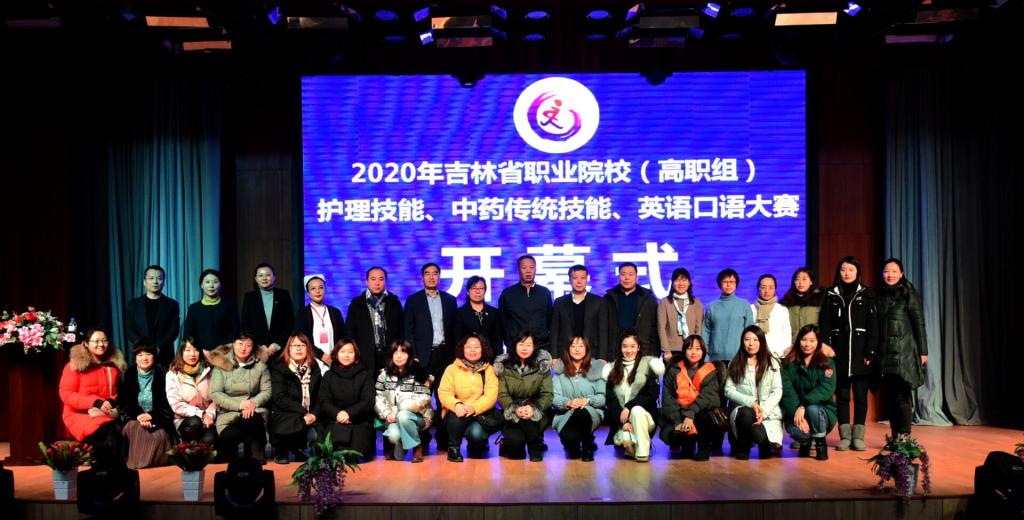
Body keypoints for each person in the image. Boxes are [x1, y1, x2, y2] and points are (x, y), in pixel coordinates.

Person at [819, 256, 878, 451]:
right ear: (839, 272)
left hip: (861, 355)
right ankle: (844, 436)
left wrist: (870, 351)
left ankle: (858, 437)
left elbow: (873, 326)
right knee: (842, 397)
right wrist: (827, 349)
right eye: (843, 269)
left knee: (861, 397)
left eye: (851, 270)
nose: (847, 273)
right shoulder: (830, 294)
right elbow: (824, 324)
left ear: (857, 272)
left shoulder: (867, 294)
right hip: (838, 355)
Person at [876, 258, 928, 440]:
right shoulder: (879, 295)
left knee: (902, 396)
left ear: (901, 274)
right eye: (886, 271)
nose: (889, 275)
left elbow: (918, 322)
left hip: (904, 352)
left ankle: (904, 436)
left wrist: (923, 351)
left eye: (894, 271)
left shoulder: (908, 293)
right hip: (885, 354)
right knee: (890, 397)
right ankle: (895, 435)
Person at [58, 328, 127, 463]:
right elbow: (66, 394)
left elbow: (117, 393)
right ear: (86, 343)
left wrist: (110, 402)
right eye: (96, 341)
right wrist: (95, 402)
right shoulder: (74, 366)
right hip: (80, 414)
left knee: (118, 436)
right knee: (107, 434)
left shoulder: (113, 366)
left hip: (106, 413)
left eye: (104, 341)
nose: (101, 344)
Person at [209, 332, 272, 463]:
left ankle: (255, 456)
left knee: (252, 418)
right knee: (229, 444)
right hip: (228, 414)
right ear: (233, 344)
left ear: (253, 347)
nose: (243, 348)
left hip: (253, 411)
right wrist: (240, 405)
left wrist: (251, 404)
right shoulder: (221, 364)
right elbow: (216, 393)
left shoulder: (260, 366)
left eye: (248, 345)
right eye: (240, 344)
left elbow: (266, 391)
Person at [603, 330, 664, 463]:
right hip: (623, 421)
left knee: (636, 410)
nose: (628, 350)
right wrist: (623, 422)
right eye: (625, 346)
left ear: (638, 347)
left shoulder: (648, 365)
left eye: (632, 346)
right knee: (624, 438)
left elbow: (651, 395)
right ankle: (631, 446)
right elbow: (611, 400)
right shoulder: (613, 368)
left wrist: (629, 407)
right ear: (620, 348)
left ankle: (642, 452)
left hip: (645, 418)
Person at [437, 335, 500, 462]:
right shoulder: (452, 369)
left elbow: (491, 396)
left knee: (476, 435)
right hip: (457, 413)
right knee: (456, 415)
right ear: (462, 349)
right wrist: (456, 404)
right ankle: (453, 449)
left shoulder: (489, 370)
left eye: (476, 347)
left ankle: (476, 444)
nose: (472, 350)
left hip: (479, 413)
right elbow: (444, 392)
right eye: (468, 347)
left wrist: (473, 408)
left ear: (483, 349)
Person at [724, 326, 783, 460]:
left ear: (761, 342)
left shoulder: (772, 362)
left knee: (762, 438)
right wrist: (751, 403)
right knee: (746, 413)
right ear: (742, 341)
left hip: (768, 412)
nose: (751, 344)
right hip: (744, 410)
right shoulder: (736, 362)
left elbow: (777, 390)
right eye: (747, 339)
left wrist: (763, 411)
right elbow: (728, 390)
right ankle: (743, 447)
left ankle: (765, 445)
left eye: (755, 340)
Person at [659, 335, 721, 461]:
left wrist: (690, 415)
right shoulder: (673, 370)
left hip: (700, 413)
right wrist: (678, 422)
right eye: (690, 348)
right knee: (678, 436)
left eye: (698, 349)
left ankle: (704, 448)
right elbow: (667, 399)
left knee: (704, 416)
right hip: (679, 413)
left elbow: (708, 397)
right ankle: (686, 445)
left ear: (703, 351)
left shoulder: (710, 371)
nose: (694, 352)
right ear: (684, 350)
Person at [494, 333, 553, 461]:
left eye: (528, 345)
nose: (524, 348)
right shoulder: (504, 365)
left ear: (534, 347)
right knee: (515, 452)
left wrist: (533, 408)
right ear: (515, 346)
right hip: (513, 410)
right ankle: (509, 444)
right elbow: (502, 394)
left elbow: (547, 394)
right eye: (521, 344)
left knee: (529, 419)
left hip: (536, 409)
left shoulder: (542, 365)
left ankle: (534, 447)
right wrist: (515, 408)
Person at [781, 325, 836, 461]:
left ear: (818, 342)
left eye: (812, 340)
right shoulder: (789, 363)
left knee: (812, 409)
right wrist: (797, 410)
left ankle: (820, 444)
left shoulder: (827, 363)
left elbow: (826, 389)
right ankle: (805, 442)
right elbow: (787, 391)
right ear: (798, 341)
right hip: (795, 410)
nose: (807, 344)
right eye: (804, 340)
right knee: (797, 431)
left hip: (821, 411)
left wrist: (803, 405)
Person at [317, 338, 376, 462]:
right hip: (334, 420)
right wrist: (338, 414)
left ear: (356, 355)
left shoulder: (365, 374)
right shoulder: (328, 375)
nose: (346, 355)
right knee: (329, 453)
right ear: (336, 354)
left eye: (350, 351)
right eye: (342, 351)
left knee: (355, 454)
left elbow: (368, 400)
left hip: (358, 421)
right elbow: (323, 401)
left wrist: (348, 413)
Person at [404, 263, 459, 394]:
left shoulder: (450, 300)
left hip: (445, 355)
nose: (431, 277)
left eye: (435, 273)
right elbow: (408, 330)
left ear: (439, 277)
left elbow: (455, 330)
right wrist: (413, 355)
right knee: (421, 396)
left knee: (445, 396)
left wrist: (456, 355)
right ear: (422, 278)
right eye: (427, 274)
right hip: (422, 357)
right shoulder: (413, 300)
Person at [375, 340, 434, 463]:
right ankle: (402, 446)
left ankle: (418, 445)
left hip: (417, 416)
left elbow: (425, 397)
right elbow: (378, 398)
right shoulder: (384, 374)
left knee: (403, 414)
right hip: (393, 418)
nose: (399, 356)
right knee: (393, 435)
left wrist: (406, 408)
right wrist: (386, 414)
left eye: (403, 352)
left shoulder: (417, 372)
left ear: (409, 355)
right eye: (395, 352)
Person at [118, 338, 173, 469]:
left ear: (154, 356)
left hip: (158, 419)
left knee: (159, 436)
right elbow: (123, 404)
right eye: (140, 355)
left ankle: (145, 462)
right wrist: (139, 415)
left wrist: (151, 415)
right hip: (134, 418)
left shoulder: (164, 374)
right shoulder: (127, 374)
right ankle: (137, 463)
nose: (144, 358)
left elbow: (168, 405)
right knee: (134, 427)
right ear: (135, 357)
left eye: (148, 354)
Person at [270, 333, 322, 464]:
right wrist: (304, 412)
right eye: (295, 345)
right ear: (288, 348)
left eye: (302, 345)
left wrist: (314, 414)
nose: (299, 348)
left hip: (309, 413)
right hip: (287, 411)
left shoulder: (314, 366)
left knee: (318, 437)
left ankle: (299, 447)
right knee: (292, 421)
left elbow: (320, 395)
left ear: (307, 348)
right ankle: (281, 449)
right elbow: (280, 398)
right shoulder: (279, 366)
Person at [551, 337, 606, 461]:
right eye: (573, 346)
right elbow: (554, 397)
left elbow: (602, 398)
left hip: (590, 412)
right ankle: (579, 443)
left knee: (582, 411)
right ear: (568, 349)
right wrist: (568, 402)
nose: (577, 349)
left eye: (581, 346)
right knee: (572, 450)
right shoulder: (559, 371)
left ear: (587, 349)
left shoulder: (597, 370)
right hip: (566, 414)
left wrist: (588, 401)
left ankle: (587, 448)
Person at [347, 266, 403, 379]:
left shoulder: (394, 302)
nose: (377, 283)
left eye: (381, 279)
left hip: (390, 355)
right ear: (366, 281)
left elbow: (401, 330)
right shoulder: (356, 304)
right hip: (365, 356)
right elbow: (350, 333)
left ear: (385, 281)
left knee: (390, 387)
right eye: (373, 279)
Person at [124, 264, 180, 367]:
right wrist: (144, 347)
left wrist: (158, 347)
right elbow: (129, 329)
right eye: (151, 278)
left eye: (159, 278)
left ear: (164, 282)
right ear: (144, 282)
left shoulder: (172, 304)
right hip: (141, 353)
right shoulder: (133, 304)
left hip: (164, 355)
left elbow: (174, 330)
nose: (155, 281)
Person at [551, 265, 609, 360]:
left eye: (582, 278)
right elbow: (554, 331)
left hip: (591, 353)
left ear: (587, 279)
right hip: (565, 354)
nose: (579, 281)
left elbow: (603, 331)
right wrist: (554, 356)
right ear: (570, 280)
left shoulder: (598, 302)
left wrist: (602, 357)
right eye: (575, 278)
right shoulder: (560, 302)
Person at [166, 338, 217, 445]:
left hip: (209, 417)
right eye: (188, 350)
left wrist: (209, 415)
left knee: (210, 440)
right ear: (181, 352)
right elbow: (176, 404)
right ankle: (185, 447)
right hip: (185, 419)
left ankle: (194, 452)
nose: (192, 354)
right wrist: (201, 414)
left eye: (196, 350)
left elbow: (216, 397)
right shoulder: (173, 374)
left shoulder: (210, 370)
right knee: (194, 423)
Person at [498, 255, 553, 353]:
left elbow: (550, 321)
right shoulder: (508, 293)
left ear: (536, 270)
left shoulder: (544, 292)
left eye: (531, 267)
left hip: (542, 347)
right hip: (516, 348)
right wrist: (510, 343)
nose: (528, 271)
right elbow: (502, 323)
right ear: (518, 270)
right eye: (524, 268)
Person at [241, 263, 295, 361]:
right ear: (256, 279)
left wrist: (277, 344)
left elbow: (289, 322)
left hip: (280, 349)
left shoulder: (283, 295)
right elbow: (246, 324)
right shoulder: (249, 297)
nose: (264, 278)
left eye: (268, 275)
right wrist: (259, 345)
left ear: (274, 277)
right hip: (257, 349)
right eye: (260, 275)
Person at [604, 262, 659, 356]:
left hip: (642, 351)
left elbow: (655, 328)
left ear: (637, 277)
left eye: (631, 274)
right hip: (614, 351)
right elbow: (603, 328)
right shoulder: (608, 298)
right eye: (623, 274)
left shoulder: (648, 298)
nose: (627, 278)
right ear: (619, 277)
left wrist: (653, 354)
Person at [702, 268, 755, 363]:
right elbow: (706, 333)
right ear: (719, 284)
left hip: (739, 358)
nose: (728, 285)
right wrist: (705, 356)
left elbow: (750, 332)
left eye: (731, 282)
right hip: (715, 359)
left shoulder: (744, 305)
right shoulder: (711, 307)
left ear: (736, 284)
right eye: (725, 281)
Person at [182, 269, 240, 351]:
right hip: (200, 353)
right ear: (201, 285)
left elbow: (235, 331)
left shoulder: (229, 306)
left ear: (220, 284)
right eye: (207, 282)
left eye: (215, 282)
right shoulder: (194, 308)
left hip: (225, 353)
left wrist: (220, 349)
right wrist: (201, 350)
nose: (211, 285)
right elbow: (188, 334)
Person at [295, 274, 346, 365]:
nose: (317, 291)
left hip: (333, 360)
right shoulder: (302, 313)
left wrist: (335, 355)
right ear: (307, 292)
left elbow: (342, 337)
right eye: (313, 288)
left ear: (325, 289)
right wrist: (321, 355)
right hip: (311, 361)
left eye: (321, 287)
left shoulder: (335, 312)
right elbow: (303, 339)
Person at [657, 267, 704, 361]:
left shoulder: (696, 303)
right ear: (672, 283)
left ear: (689, 283)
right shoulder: (664, 302)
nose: (681, 283)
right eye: (677, 280)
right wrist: (666, 350)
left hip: (691, 350)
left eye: (684, 280)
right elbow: (661, 328)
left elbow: (699, 328)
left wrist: (695, 348)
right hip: (671, 351)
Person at [455, 276, 502, 359]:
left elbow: (498, 340)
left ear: (485, 291)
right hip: (467, 359)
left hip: (490, 359)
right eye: (474, 288)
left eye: (481, 288)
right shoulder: (459, 313)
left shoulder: (494, 313)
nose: (477, 291)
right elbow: (457, 340)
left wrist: (498, 360)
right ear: (468, 291)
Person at [779, 267, 825, 344]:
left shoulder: (820, 299)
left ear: (811, 281)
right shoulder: (787, 301)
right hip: (793, 344)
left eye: (804, 279)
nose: (800, 282)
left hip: (813, 344)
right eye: (797, 279)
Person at [751, 274, 792, 358]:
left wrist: (784, 351)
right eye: (763, 287)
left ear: (775, 289)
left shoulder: (782, 309)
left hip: (778, 353)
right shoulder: (751, 309)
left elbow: (787, 332)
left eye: (770, 287)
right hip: (756, 354)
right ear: (758, 288)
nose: (767, 291)